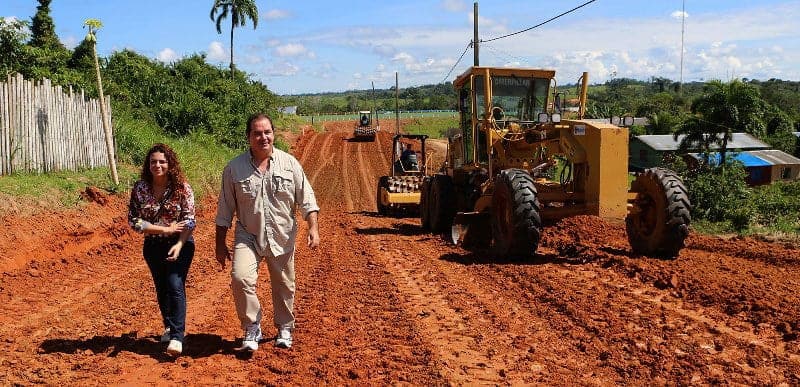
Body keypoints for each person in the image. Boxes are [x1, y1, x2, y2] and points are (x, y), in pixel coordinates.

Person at [215, 113, 320, 351]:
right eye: (257, 133)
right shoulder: (233, 169)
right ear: (248, 137)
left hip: (282, 234)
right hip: (248, 235)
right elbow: (224, 209)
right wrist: (219, 244)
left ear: (273, 134)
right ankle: (252, 326)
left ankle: (284, 327)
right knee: (240, 278)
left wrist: (313, 227)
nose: (263, 137)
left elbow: (307, 198)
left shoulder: (290, 164)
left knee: (284, 284)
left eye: (267, 132)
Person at [127, 143, 196, 356]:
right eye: (153, 162)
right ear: (148, 165)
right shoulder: (140, 188)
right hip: (153, 245)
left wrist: (178, 242)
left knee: (175, 284)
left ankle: (177, 336)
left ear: (170, 164)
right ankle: (168, 325)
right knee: (161, 286)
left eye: (162, 161)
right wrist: (165, 229)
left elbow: (190, 220)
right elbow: (134, 221)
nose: (157, 165)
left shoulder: (182, 188)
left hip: (180, 244)